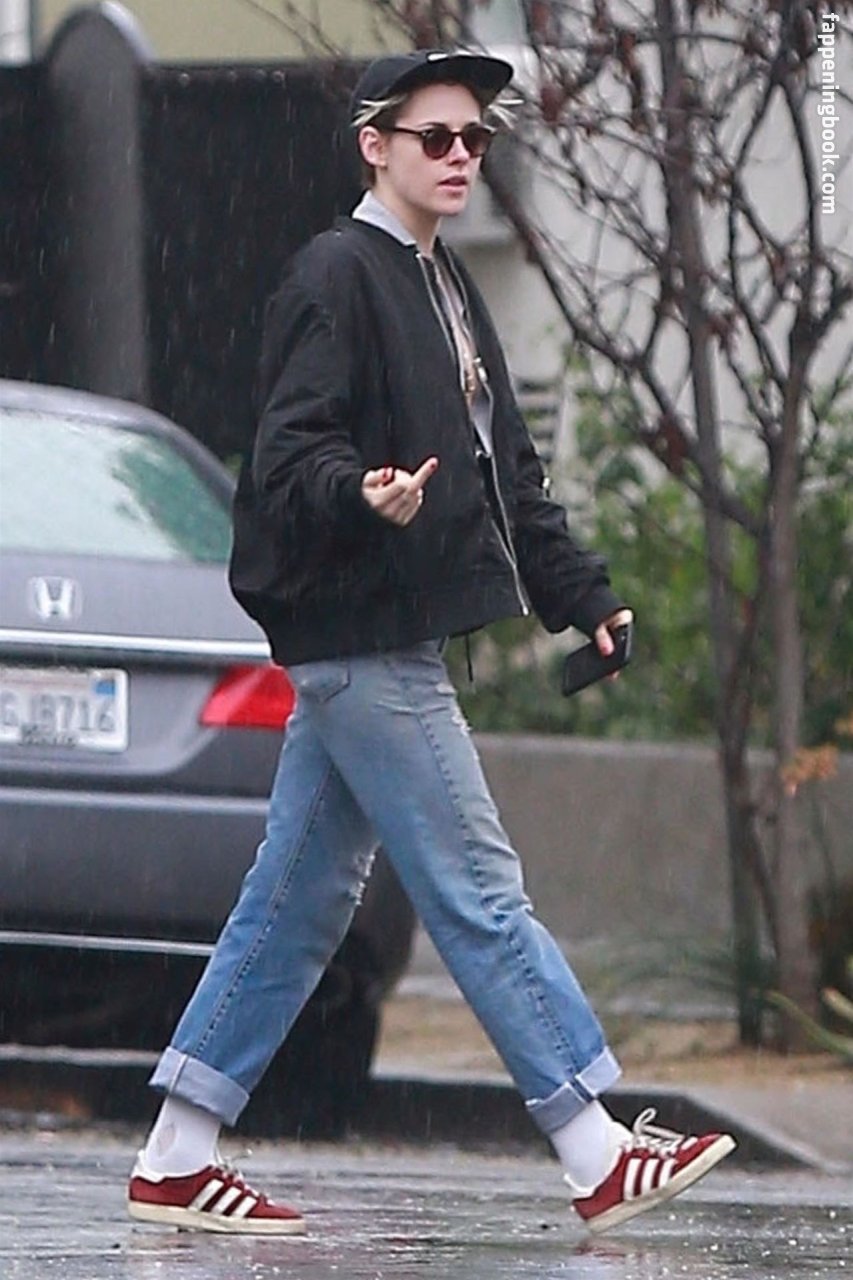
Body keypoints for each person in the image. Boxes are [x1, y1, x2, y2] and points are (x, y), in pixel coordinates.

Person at [126, 48, 735, 1238]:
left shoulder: (442, 281)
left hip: (380, 640)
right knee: (478, 887)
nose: (462, 157)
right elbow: (290, 455)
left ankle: (175, 1153)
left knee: (298, 902)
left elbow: (511, 472)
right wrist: (362, 493)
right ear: (376, 146)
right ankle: (594, 1145)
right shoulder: (336, 275)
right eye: (436, 138)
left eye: (476, 140)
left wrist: (582, 594)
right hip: (365, 641)